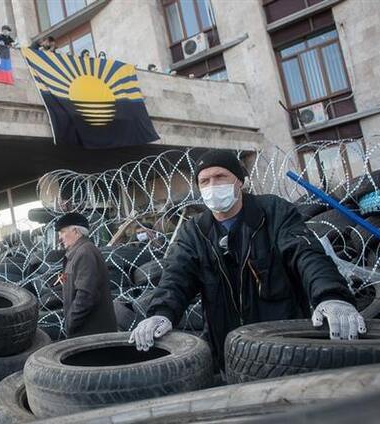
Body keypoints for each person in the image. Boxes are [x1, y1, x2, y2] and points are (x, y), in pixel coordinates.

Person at [129, 150, 363, 371]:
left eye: (220, 176)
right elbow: (177, 275)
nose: (213, 186)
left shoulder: (273, 213)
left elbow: (305, 254)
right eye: (205, 181)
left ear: (239, 181)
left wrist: (331, 295)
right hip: (230, 351)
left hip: (287, 345)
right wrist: (161, 312)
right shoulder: (195, 231)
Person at [55, 213, 117, 337]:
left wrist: (70, 323)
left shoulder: (85, 253)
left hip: (92, 334)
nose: (60, 238)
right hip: (86, 331)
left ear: (76, 231)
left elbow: (86, 295)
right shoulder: (75, 254)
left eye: (62, 232)